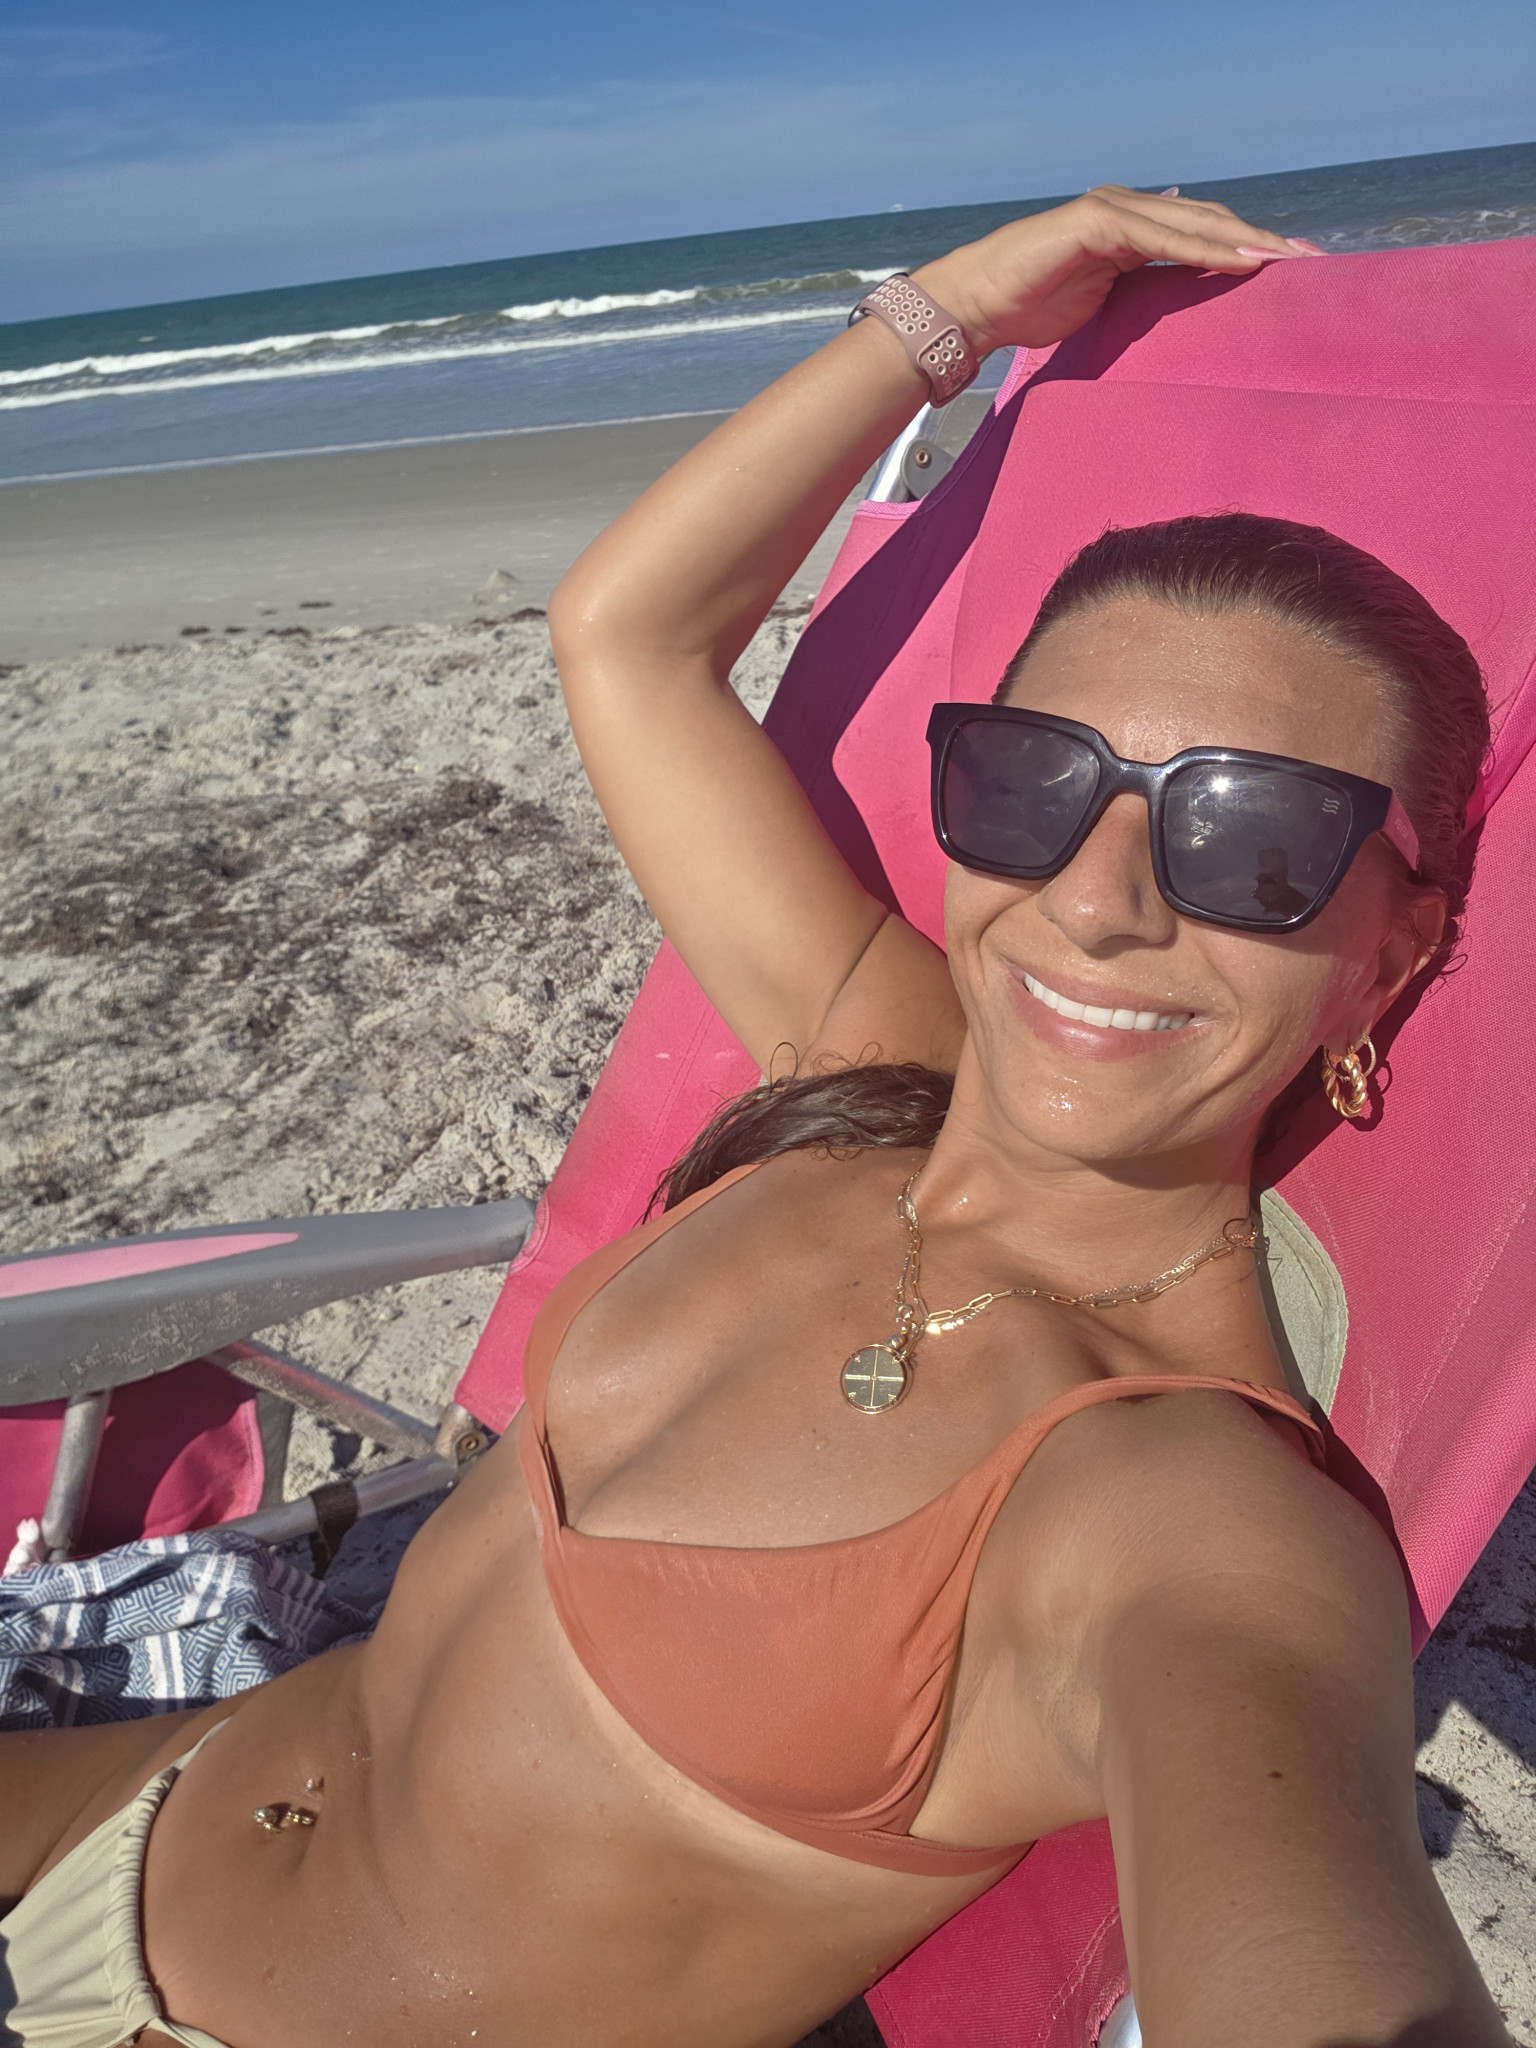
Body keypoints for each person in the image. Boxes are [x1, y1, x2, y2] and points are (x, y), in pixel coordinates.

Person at [0, 187, 1507, 2048]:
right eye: (1032, 781)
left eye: (1253, 837)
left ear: (1395, 950)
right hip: (124, 1806)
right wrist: (952, 313)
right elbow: (625, 636)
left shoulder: (1191, 1516)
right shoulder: (880, 1072)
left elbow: (1315, 1948)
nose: (1099, 901)